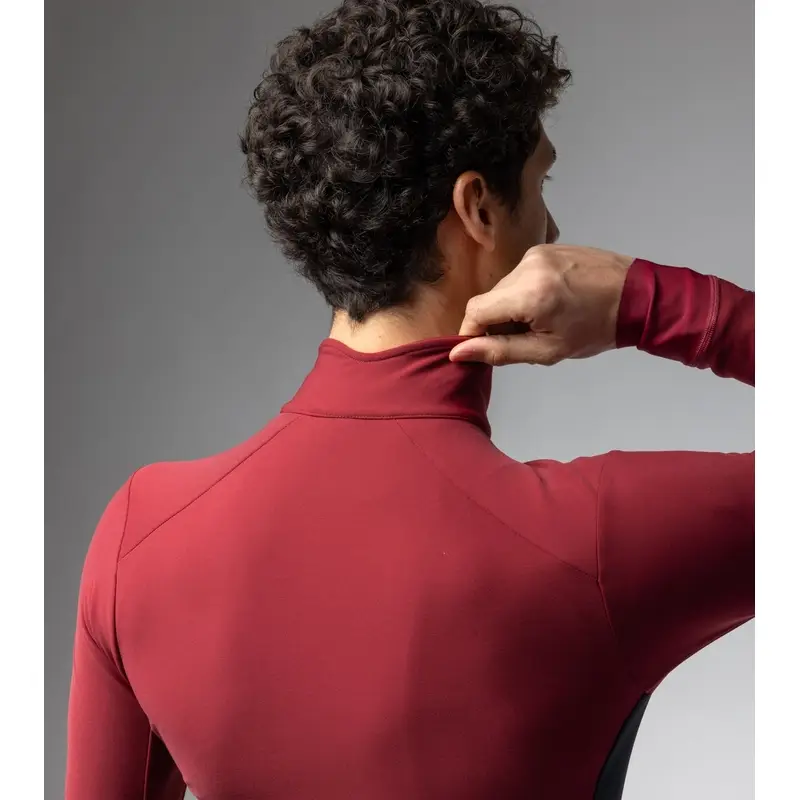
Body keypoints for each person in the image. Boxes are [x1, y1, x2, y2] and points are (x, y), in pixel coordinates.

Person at [65, 1, 753, 798]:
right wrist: (648, 300)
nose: (553, 227)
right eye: (541, 184)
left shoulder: (139, 539)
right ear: (478, 208)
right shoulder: (600, 541)